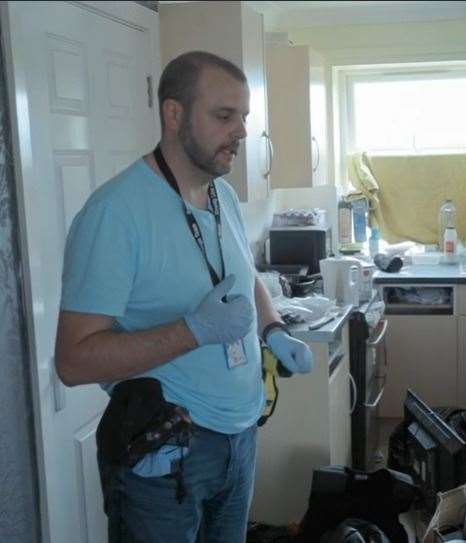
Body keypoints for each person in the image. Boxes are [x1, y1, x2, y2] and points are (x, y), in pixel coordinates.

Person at [54, 51, 313, 542]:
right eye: (223, 116)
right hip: (166, 453)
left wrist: (272, 327)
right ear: (173, 114)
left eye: (243, 118)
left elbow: (245, 278)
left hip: (239, 439)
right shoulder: (115, 214)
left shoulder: (223, 196)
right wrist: (191, 331)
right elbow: (73, 361)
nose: (240, 132)